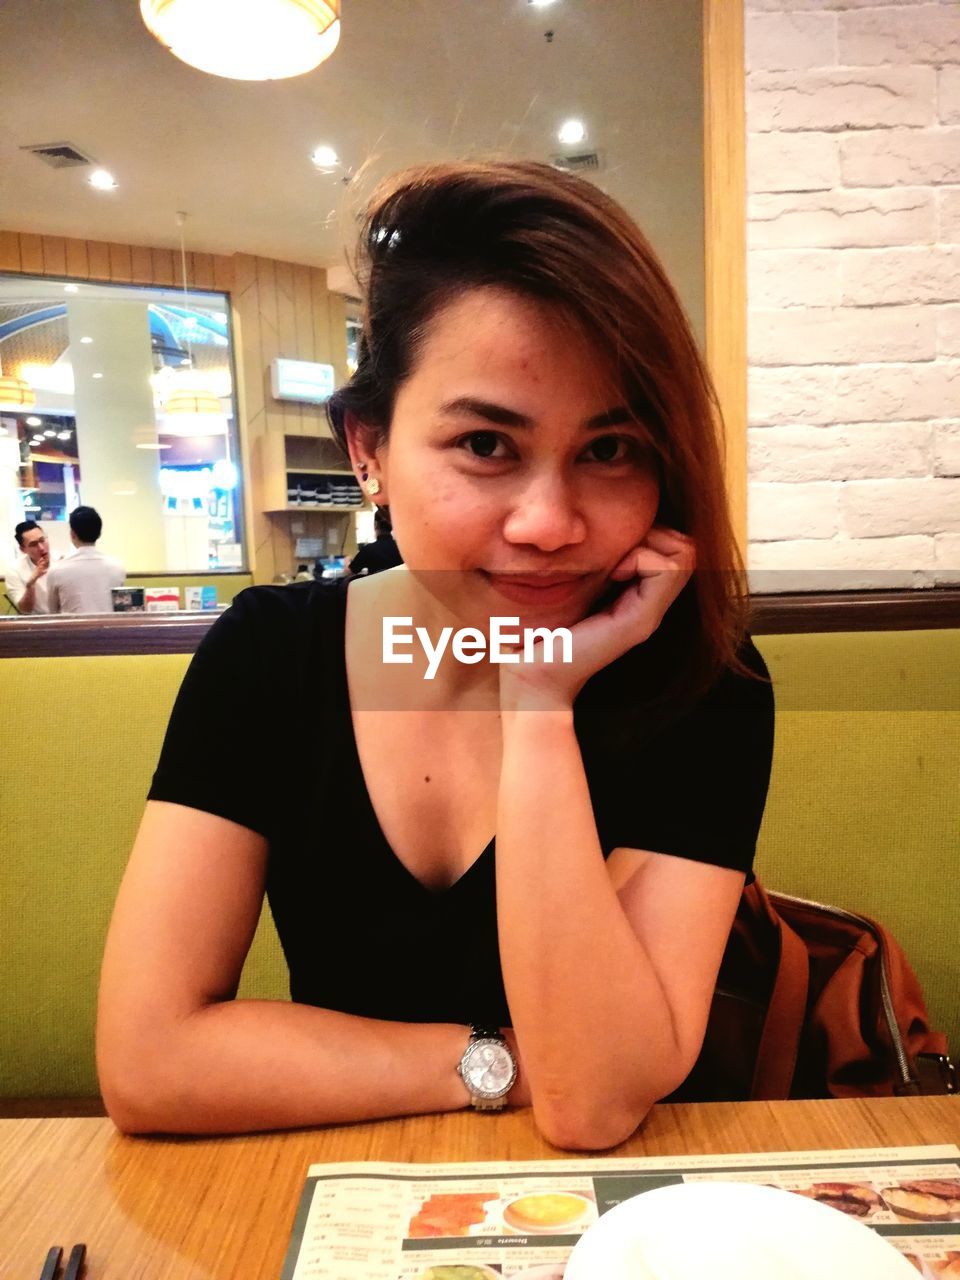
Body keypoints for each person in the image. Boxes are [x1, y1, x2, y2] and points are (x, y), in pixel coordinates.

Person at [97, 161, 775, 1147]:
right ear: (368, 446)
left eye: (611, 448)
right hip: (342, 1189)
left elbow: (590, 1101)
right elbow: (150, 1061)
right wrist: (491, 1060)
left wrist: (540, 703)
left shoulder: (705, 681)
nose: (550, 523)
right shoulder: (269, 659)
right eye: (487, 446)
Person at [45, 506, 125, 615]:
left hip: (71, 631)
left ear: (72, 534)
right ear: (99, 533)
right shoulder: (117, 566)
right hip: (109, 630)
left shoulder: (57, 570)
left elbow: (53, 612)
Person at [6, 520, 55, 614]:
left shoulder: (64, 560)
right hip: (37, 624)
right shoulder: (14, 570)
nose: (41, 547)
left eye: (42, 540)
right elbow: (25, 609)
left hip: (66, 620)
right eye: (33, 544)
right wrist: (31, 583)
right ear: (23, 549)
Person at [349, 507, 404, 577]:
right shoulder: (402, 549)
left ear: (375, 525)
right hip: (399, 587)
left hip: (375, 587)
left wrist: (347, 561)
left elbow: (352, 570)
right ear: (392, 525)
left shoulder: (368, 549)